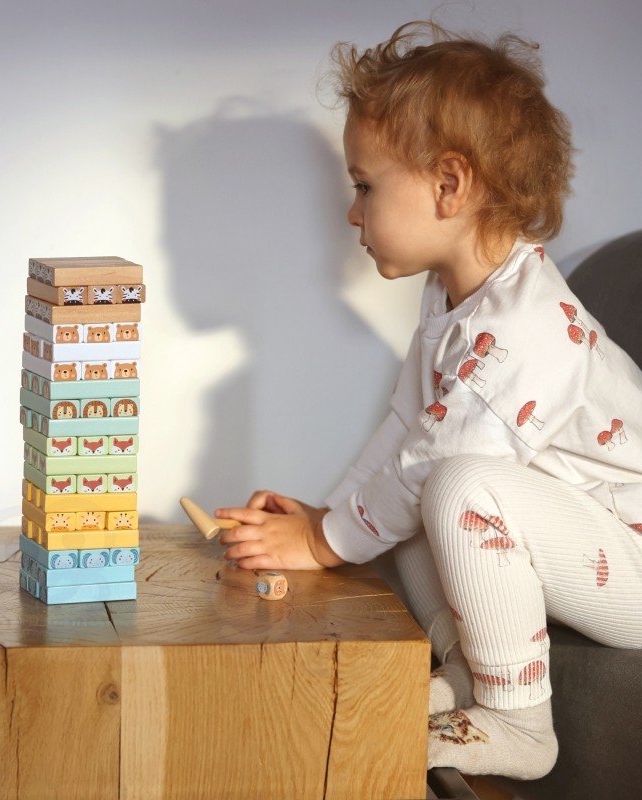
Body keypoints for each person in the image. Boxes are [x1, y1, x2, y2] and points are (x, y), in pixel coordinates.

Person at [215, 20, 642, 781]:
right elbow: (408, 427)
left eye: (365, 186)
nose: (352, 213)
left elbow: (432, 467)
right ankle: (472, 673)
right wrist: (327, 520)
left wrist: (325, 542)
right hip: (578, 537)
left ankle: (520, 723)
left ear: (449, 185)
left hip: (631, 560)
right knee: (412, 498)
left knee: (452, 486)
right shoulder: (453, 299)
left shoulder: (525, 329)